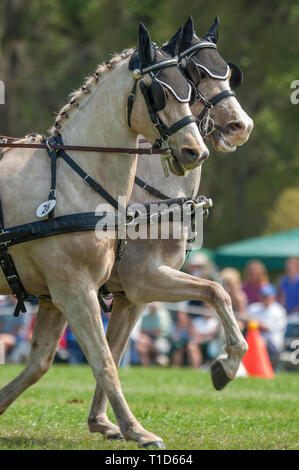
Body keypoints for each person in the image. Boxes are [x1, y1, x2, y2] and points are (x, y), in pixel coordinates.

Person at [247, 284, 287, 369]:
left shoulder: (279, 311)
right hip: (253, 339)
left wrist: (259, 325)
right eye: (263, 296)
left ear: (273, 297)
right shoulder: (253, 308)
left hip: (272, 342)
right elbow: (246, 319)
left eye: (267, 296)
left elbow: (273, 329)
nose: (265, 299)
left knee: (261, 343)